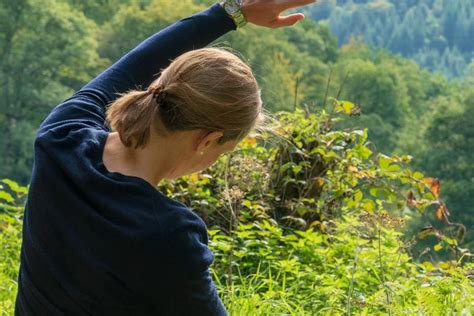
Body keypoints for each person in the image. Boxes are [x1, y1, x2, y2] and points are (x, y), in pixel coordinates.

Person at [15, 0, 316, 315]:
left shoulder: (60, 138)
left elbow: (139, 60)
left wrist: (230, 11)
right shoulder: (167, 234)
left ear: (157, 84)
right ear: (209, 139)